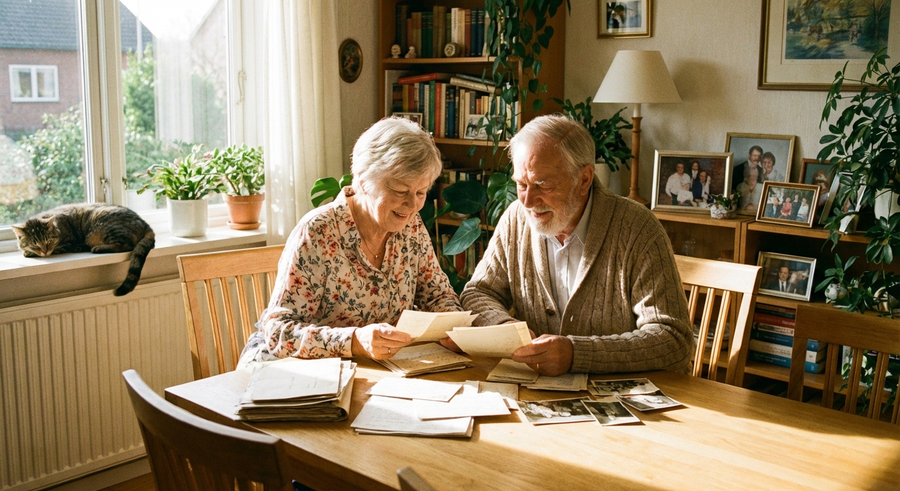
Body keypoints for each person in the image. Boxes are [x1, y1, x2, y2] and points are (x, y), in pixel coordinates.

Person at [459, 114, 693, 376]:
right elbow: (477, 294)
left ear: (584, 179)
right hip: (536, 395)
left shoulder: (637, 228)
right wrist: (507, 329)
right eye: (521, 184)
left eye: (542, 184)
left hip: (623, 402)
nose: (527, 200)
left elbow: (673, 340)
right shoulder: (516, 218)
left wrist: (576, 354)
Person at [238, 117, 461, 367]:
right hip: (297, 373)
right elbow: (279, 333)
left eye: (421, 193)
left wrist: (452, 323)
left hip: (374, 371)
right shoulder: (318, 231)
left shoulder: (412, 226)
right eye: (400, 191)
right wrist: (354, 341)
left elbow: (437, 294)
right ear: (364, 180)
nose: (412, 205)